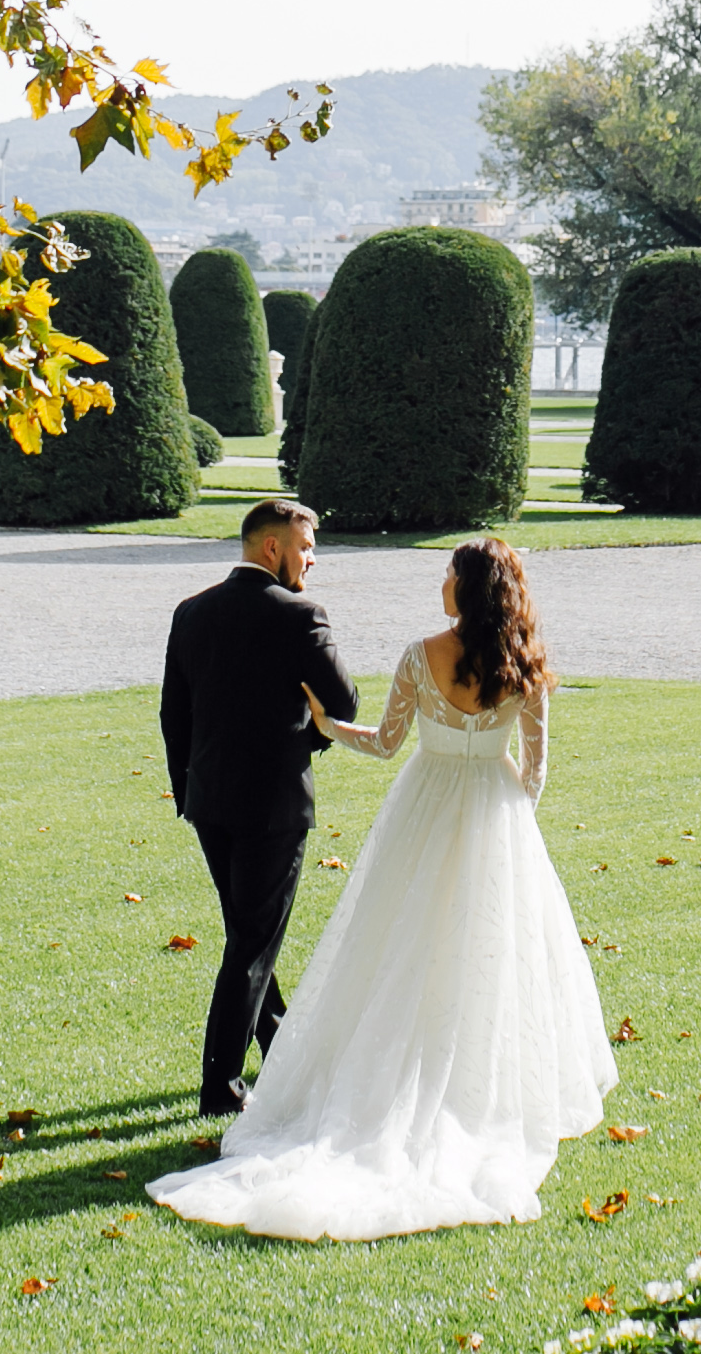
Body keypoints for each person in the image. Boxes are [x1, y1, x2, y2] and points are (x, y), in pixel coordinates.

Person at [148, 536, 614, 1241]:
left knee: (399, 948)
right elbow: (538, 771)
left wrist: (330, 726)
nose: (441, 583)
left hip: (422, 811)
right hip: (497, 814)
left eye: (448, 574)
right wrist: (506, 819)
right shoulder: (527, 664)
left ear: (467, 586)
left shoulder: (420, 654)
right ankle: (477, 1092)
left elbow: (389, 742)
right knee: (491, 958)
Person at [160, 499, 359, 1116]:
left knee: (249, 934)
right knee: (252, 941)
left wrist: (188, 789)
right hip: (272, 805)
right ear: (271, 548)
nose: (311, 560)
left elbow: (174, 715)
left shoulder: (191, 612)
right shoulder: (301, 615)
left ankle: (280, 1055)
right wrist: (313, 737)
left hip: (208, 801)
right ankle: (220, 1089)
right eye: (305, 548)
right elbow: (345, 702)